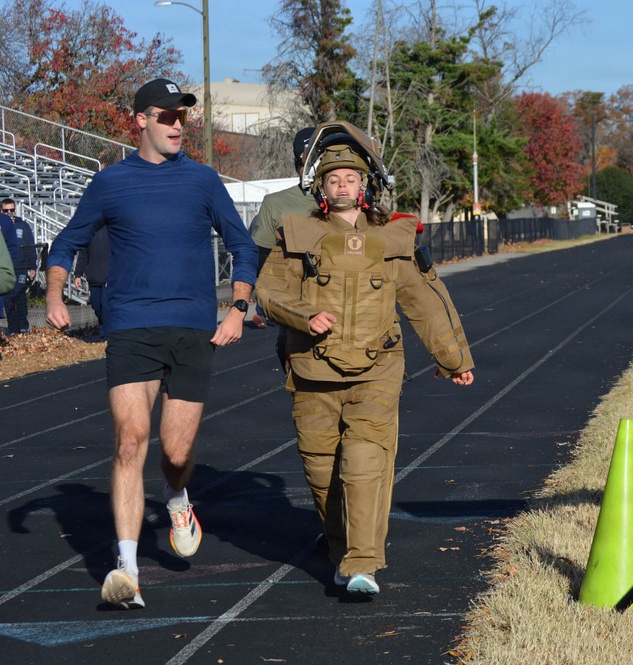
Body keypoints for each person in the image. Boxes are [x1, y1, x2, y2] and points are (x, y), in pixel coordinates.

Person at [45, 78, 258, 610]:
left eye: (182, 116)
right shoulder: (110, 182)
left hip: (191, 328)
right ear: (138, 120)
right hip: (131, 326)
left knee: (176, 453)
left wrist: (238, 306)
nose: (177, 124)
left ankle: (179, 498)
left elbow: (241, 243)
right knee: (129, 441)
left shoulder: (205, 181)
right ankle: (128, 568)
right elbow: (68, 240)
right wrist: (54, 295)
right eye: (165, 116)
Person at [256, 121, 475, 596]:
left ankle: (363, 564)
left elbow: (425, 299)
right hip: (312, 370)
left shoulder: (394, 236)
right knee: (320, 470)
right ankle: (341, 553)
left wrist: (454, 358)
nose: (341, 185)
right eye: (332, 179)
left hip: (377, 369)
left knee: (363, 461)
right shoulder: (296, 233)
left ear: (364, 186)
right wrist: (304, 314)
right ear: (320, 187)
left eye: (350, 178)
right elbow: (268, 292)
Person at [248, 126, 316, 335]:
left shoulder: (349, 200)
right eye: (308, 161)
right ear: (298, 164)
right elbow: (259, 258)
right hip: (297, 312)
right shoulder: (276, 203)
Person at [2, 199, 37, 334]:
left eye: (12, 210)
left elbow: (30, 247)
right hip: (5, 269)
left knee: (19, 296)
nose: (10, 213)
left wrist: (32, 267)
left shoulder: (23, 226)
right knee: (8, 299)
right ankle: (13, 328)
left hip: (21, 267)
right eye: (6, 211)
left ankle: (23, 326)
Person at [73, 225, 110, 337]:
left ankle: (106, 334)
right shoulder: (89, 232)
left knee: (106, 306)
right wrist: (78, 274)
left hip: (109, 277)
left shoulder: (113, 230)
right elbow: (83, 255)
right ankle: (104, 326)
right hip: (94, 277)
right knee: (96, 305)